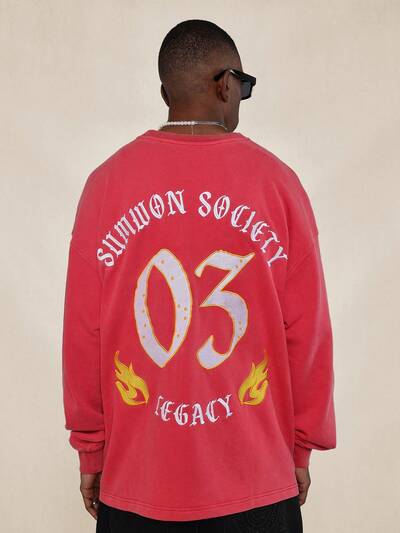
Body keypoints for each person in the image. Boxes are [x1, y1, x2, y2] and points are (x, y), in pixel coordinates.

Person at [62, 19, 336, 533]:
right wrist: (302, 446)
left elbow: (83, 334)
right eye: (243, 87)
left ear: (165, 92)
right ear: (225, 84)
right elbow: (308, 332)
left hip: (136, 480)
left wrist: (91, 451)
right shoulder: (278, 184)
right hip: (256, 480)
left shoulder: (105, 186)